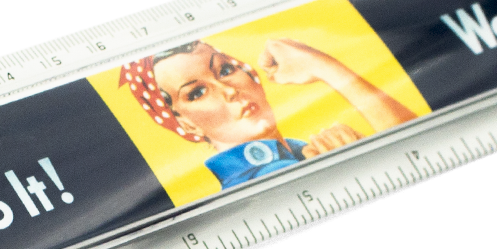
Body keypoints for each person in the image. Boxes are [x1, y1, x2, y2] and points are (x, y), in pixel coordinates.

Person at [117, 36, 417, 190]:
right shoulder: (263, 181)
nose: (228, 90)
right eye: (196, 93)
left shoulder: (304, 151)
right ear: (185, 124)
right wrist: (325, 67)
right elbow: (414, 151)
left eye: (225, 70)